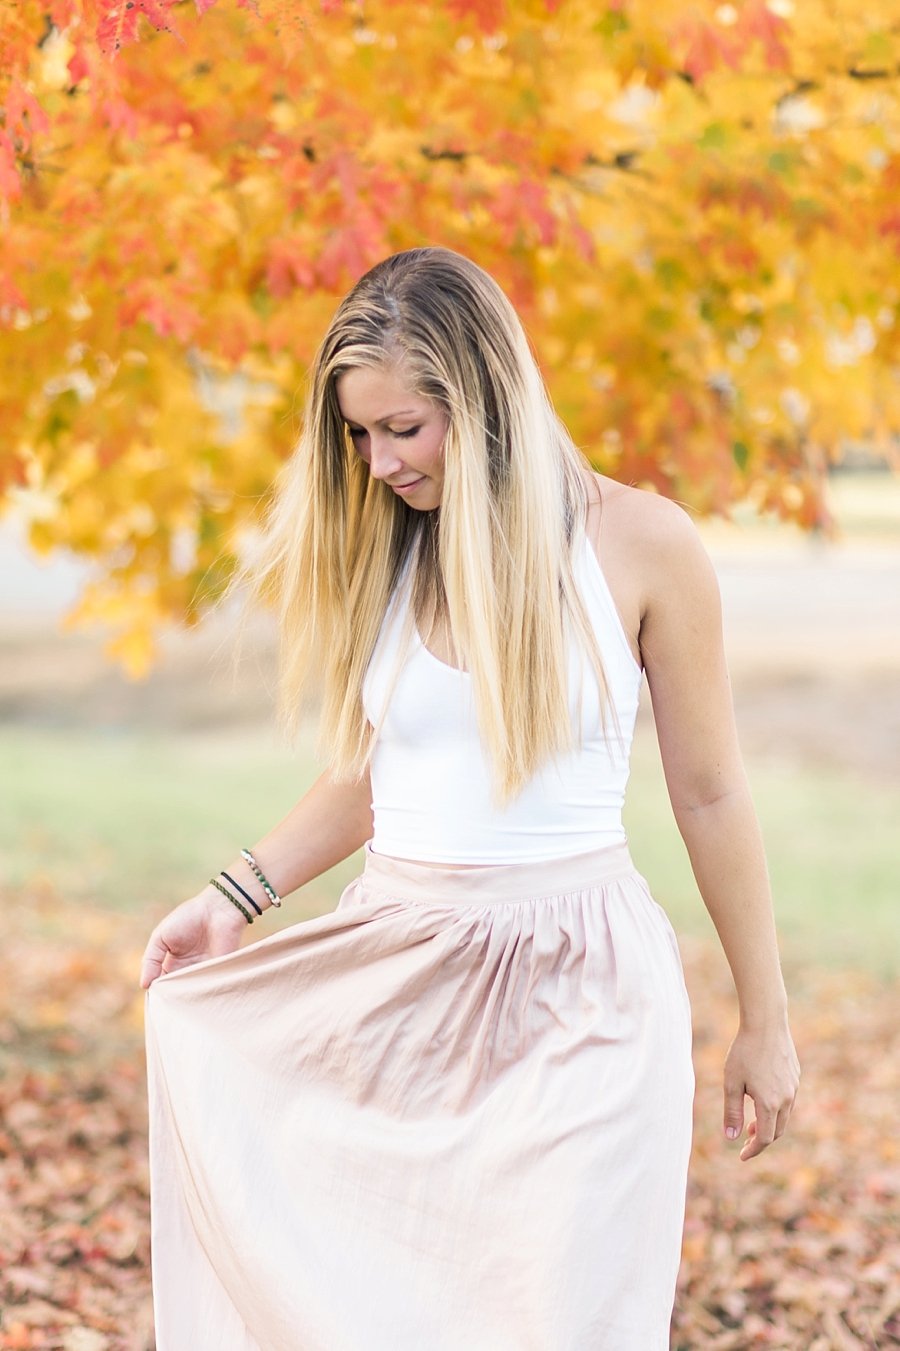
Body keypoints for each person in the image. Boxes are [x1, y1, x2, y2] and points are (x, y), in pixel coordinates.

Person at [141, 247, 799, 1351]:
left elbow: (712, 789)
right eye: (359, 434)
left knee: (564, 1318)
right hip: (399, 977)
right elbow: (371, 773)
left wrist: (765, 1019)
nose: (380, 461)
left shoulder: (643, 544)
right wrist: (235, 895)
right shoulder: (393, 549)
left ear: (486, 396)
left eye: (405, 428)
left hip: (586, 995)